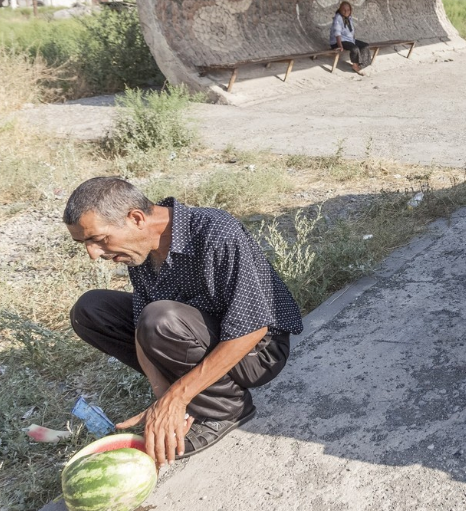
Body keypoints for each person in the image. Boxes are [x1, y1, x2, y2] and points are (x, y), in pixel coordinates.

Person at [65, 177, 303, 468]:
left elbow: (253, 329)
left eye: (98, 239)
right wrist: (162, 396)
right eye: (84, 244)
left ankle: (224, 410)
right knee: (90, 310)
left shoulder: (216, 232)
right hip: (187, 330)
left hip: (258, 352)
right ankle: (192, 396)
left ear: (136, 218)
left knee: (160, 319)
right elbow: (141, 324)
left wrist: (177, 397)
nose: (93, 254)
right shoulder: (139, 250)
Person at [330, 0, 368, 73]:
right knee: (355, 48)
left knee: (365, 46)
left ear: (350, 10)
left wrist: (353, 40)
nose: (346, 11)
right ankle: (355, 66)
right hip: (338, 41)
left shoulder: (349, 18)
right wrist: (340, 46)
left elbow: (352, 30)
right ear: (340, 10)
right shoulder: (338, 18)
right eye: (343, 10)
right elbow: (337, 33)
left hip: (349, 40)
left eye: (348, 10)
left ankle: (361, 65)